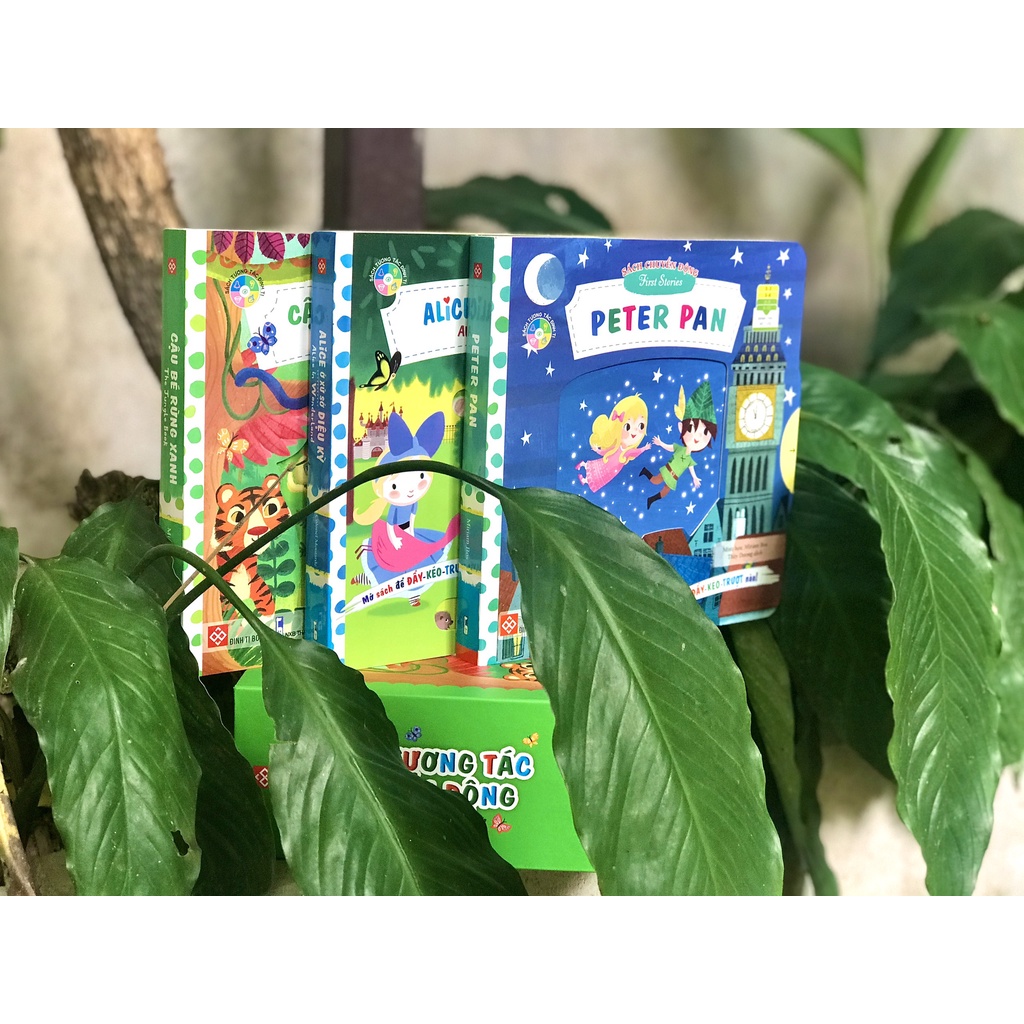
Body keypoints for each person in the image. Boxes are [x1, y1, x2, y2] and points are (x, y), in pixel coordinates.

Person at [641, 381, 717, 510]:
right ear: (681, 427)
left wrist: (695, 478)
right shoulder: (679, 448)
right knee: (655, 481)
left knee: (665, 492)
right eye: (692, 429)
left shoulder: (690, 459)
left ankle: (651, 500)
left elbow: (691, 469)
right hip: (668, 470)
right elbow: (669, 447)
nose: (698, 437)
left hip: (674, 477)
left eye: (705, 432)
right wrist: (660, 443)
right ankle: (644, 471)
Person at [576, 393, 651, 492]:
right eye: (628, 426)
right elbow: (607, 451)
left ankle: (585, 479)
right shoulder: (617, 447)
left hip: (612, 470)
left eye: (641, 426)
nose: (635, 431)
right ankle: (583, 465)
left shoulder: (627, 451)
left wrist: (644, 448)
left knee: (598, 478)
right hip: (606, 465)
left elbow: (634, 452)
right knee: (595, 469)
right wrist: (598, 450)